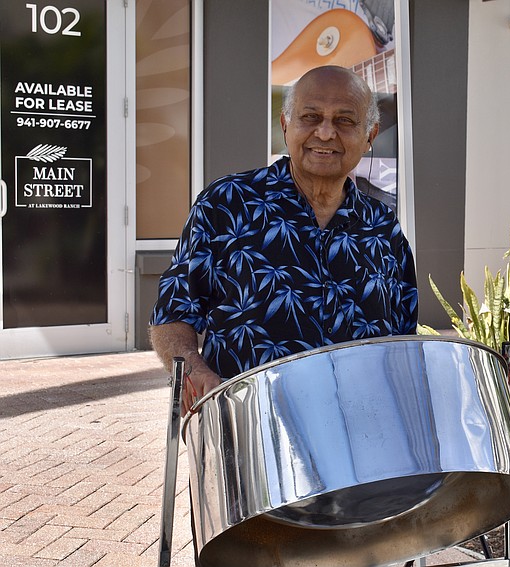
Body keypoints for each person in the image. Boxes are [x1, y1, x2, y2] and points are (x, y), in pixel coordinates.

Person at [149, 65, 418, 415]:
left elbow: (402, 348)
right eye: (310, 117)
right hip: (253, 440)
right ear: (285, 125)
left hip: (361, 443)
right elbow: (173, 312)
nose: (325, 133)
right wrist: (194, 371)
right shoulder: (228, 204)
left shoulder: (383, 228)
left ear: (370, 136)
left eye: (345, 121)